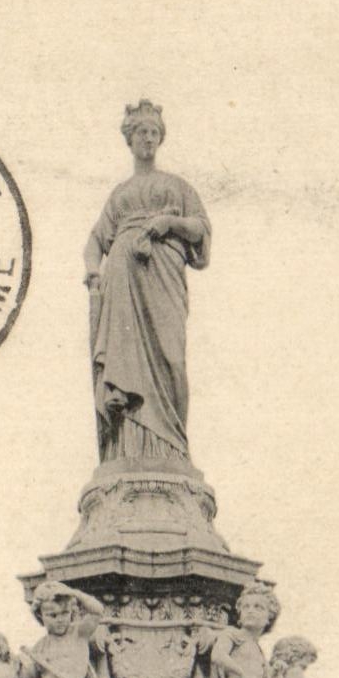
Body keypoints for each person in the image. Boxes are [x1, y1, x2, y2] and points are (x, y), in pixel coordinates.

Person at [84, 100, 211, 467]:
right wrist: (93, 271)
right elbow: (95, 241)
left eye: (155, 133)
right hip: (122, 281)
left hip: (164, 273)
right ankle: (130, 450)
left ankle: (173, 447)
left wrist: (169, 225)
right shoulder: (119, 195)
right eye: (142, 132)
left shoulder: (177, 187)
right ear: (130, 138)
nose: (149, 139)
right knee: (125, 365)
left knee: (172, 357)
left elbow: (200, 228)